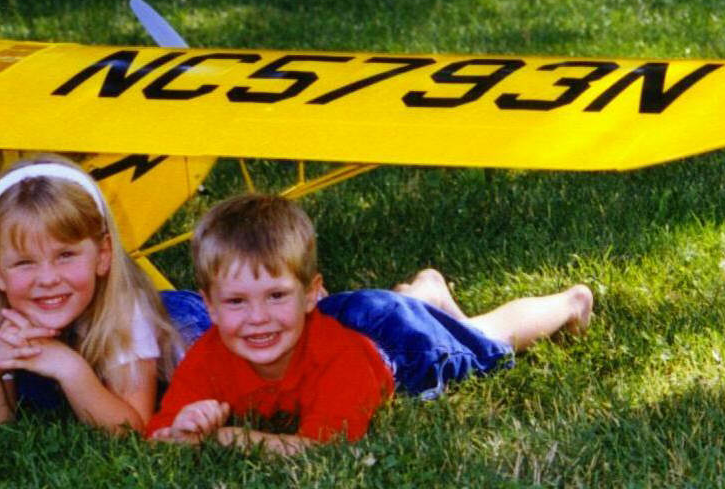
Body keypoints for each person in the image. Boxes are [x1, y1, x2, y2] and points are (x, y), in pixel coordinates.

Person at [146, 194, 593, 455]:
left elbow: (319, 449)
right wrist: (184, 425)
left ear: (311, 293)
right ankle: (425, 293)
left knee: (485, 340)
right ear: (210, 306)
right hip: (343, 317)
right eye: (237, 301)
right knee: (410, 310)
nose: (258, 317)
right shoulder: (209, 354)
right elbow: (158, 436)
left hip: (396, 341)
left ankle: (568, 302)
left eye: (276, 295)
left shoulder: (342, 362)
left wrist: (232, 438)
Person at [0, 155, 188, 434]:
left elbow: (131, 429)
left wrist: (70, 368)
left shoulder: (123, 311)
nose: (48, 279)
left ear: (103, 254)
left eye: (65, 255)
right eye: (24, 262)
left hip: (185, 322)